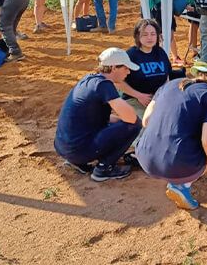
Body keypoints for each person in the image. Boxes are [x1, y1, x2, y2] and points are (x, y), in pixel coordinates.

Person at [136, 56, 207, 210]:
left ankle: (176, 174)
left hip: (145, 158)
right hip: (175, 164)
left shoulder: (170, 84)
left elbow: (146, 121)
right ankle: (182, 185)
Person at [54, 48, 142, 181]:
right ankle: (104, 168)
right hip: (78, 150)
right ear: (113, 68)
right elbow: (131, 118)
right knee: (135, 125)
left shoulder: (89, 79)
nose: (128, 72)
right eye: (125, 68)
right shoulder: (104, 85)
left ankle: (77, 162)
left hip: (64, 147)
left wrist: (119, 124)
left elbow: (101, 118)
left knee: (118, 123)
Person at [115, 18, 173, 116]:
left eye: (153, 34)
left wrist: (161, 95)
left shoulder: (160, 52)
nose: (149, 38)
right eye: (145, 34)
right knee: (147, 124)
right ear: (137, 36)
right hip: (134, 99)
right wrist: (139, 96)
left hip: (157, 99)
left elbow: (167, 77)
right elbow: (118, 81)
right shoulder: (131, 55)